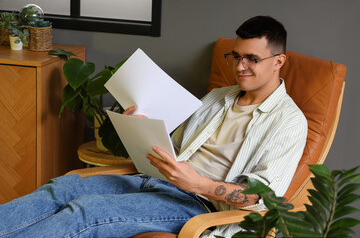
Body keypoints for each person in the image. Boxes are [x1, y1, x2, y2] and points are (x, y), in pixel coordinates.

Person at [0, 16, 307, 238]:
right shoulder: (218, 97)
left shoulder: (288, 122)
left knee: (87, 212)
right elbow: (172, 146)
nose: (240, 67)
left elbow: (262, 197)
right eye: (236, 56)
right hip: (153, 180)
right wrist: (142, 129)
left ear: (279, 61)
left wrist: (196, 183)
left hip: (197, 205)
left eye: (251, 59)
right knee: (64, 187)